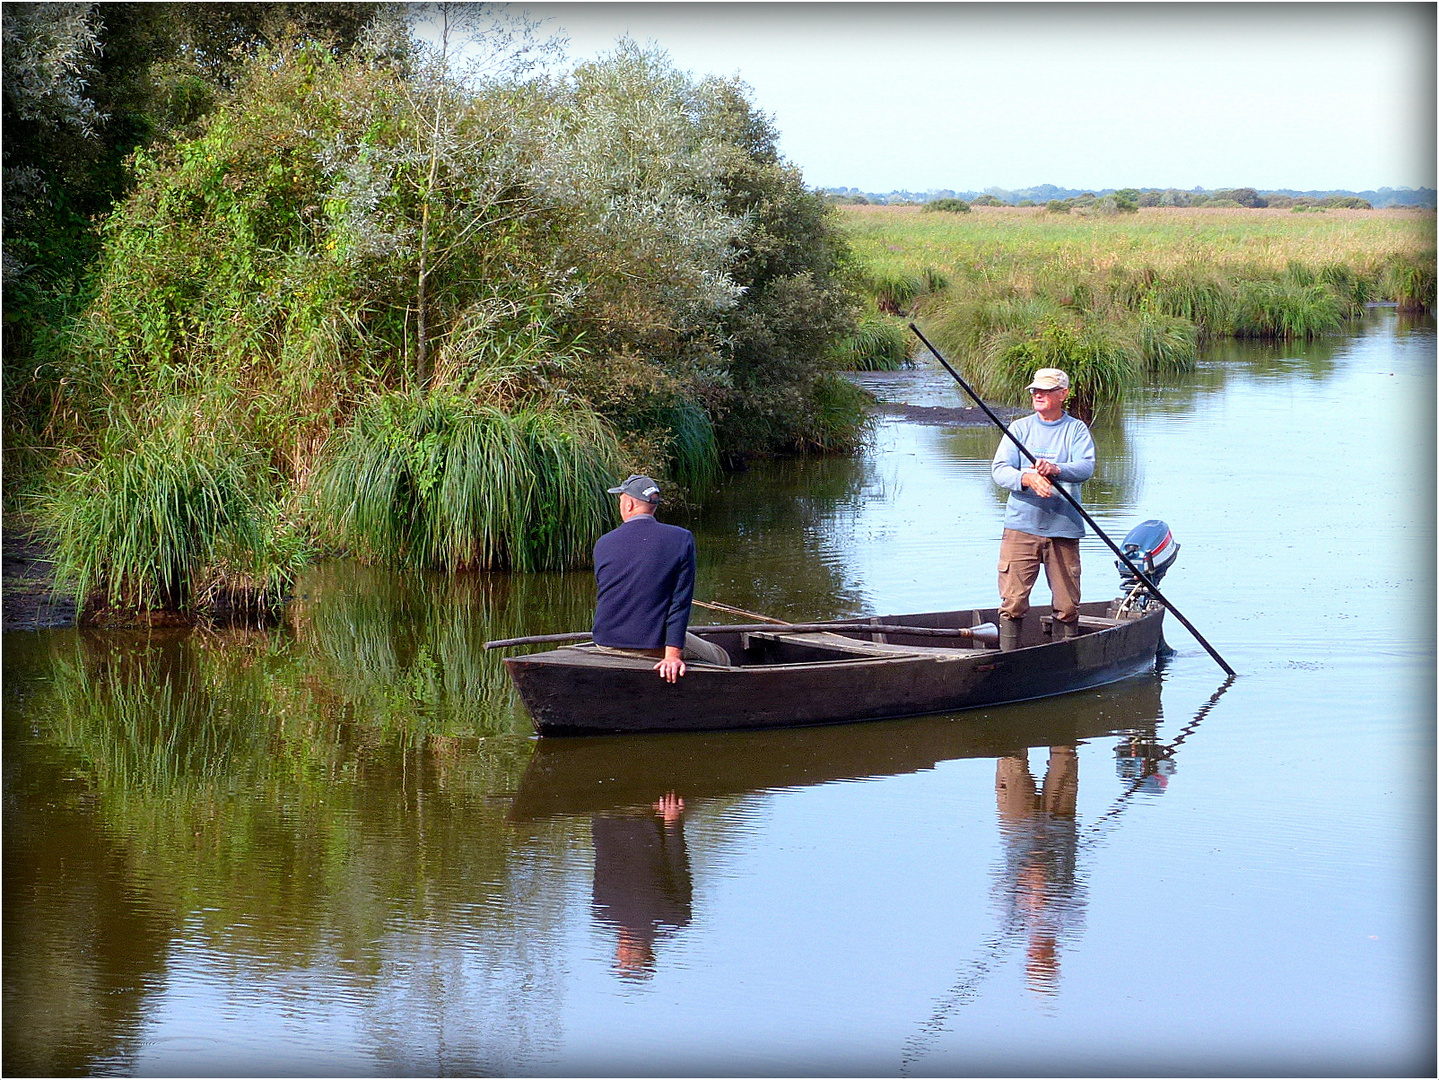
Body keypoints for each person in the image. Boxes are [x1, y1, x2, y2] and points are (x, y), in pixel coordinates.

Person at [990, 368, 1096, 651]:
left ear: (1063, 394)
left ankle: (1065, 659)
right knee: (1012, 602)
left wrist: (1056, 469)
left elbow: (1086, 467)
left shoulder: (1076, 430)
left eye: (1046, 391)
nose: (1038, 395)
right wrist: (1027, 478)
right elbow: (999, 470)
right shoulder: (1020, 428)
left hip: (1063, 527)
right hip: (1021, 527)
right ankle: (1008, 659)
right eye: (1035, 390)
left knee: (1066, 604)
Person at [591, 474, 730, 681]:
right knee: (722, 657)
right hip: (649, 643)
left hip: (605, 640)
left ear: (628, 504)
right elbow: (680, 602)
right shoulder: (681, 539)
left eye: (620, 499)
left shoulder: (603, 542)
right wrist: (672, 656)